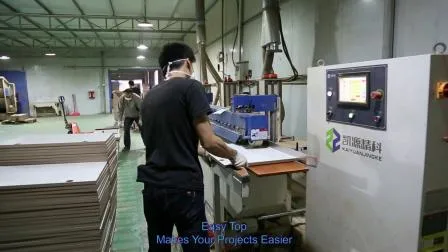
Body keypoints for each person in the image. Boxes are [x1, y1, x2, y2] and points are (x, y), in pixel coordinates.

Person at [138, 42, 248, 252]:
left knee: (158, 247)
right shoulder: (191, 87)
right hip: (183, 189)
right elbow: (210, 141)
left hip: (152, 187)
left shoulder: (149, 96)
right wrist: (234, 155)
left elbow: (161, 139)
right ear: (188, 63)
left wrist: (198, 149)